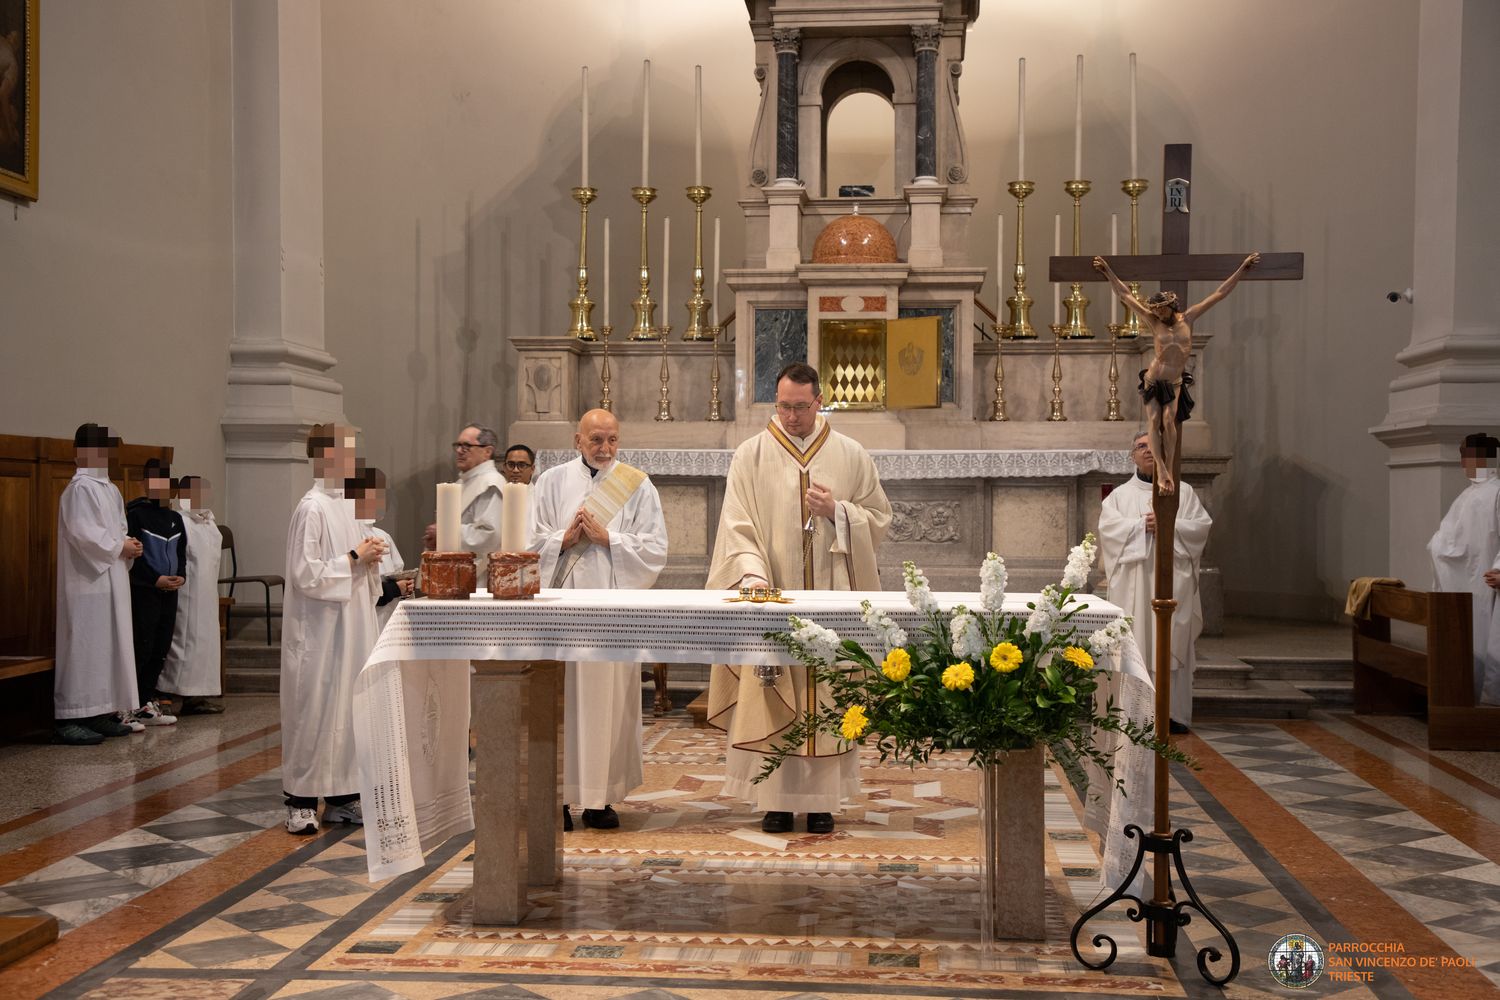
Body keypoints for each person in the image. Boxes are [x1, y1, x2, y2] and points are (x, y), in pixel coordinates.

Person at [705, 363, 891, 834]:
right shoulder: (750, 455)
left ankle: (822, 802)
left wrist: (839, 512)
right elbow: (736, 525)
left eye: (801, 408)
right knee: (772, 689)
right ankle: (777, 801)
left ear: (819, 402)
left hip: (832, 603)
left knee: (828, 694)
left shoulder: (851, 454)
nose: (791, 417)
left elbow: (879, 518)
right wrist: (751, 575)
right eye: (784, 407)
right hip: (773, 597)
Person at [531, 410, 668, 831]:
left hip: (611, 613)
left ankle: (599, 798)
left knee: (606, 704)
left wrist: (610, 539)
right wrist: (564, 540)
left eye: (612, 440)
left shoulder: (637, 485)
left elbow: (656, 549)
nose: (605, 448)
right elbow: (527, 540)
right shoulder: (551, 482)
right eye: (596, 440)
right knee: (559, 701)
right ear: (578, 440)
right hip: (561, 611)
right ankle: (555, 797)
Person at [280, 423, 385, 834]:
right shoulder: (311, 508)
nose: (352, 459)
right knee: (315, 710)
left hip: (352, 625)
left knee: (347, 709)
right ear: (325, 455)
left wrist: (370, 557)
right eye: (345, 451)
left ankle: (342, 798)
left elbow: (359, 560)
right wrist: (355, 557)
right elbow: (304, 573)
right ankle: (301, 801)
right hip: (319, 631)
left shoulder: (348, 506)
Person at [1093, 252, 1259, 494]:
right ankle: (1160, 470)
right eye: (1156, 310)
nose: (1158, 314)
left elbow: (1219, 293)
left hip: (1174, 382)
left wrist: (1242, 268)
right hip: (1153, 379)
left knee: (1169, 422)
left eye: (1162, 310)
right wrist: (1108, 271)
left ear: (1171, 307)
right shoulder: (1153, 321)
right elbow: (1125, 295)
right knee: (1153, 422)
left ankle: (1168, 468)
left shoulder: (1188, 318)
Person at [1097, 431, 1213, 732]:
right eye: (1141, 446)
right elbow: (1109, 532)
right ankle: (1135, 714)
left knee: (1170, 640)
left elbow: (1200, 528)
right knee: (1135, 642)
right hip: (1133, 588)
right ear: (1132, 455)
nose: (1147, 451)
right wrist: (1140, 527)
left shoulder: (1183, 493)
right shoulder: (1119, 497)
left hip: (1172, 583)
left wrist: (1168, 525)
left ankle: (1172, 714)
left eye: (1154, 446)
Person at [54, 424, 144, 745]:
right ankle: (71, 715)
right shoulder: (79, 489)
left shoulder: (110, 489)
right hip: (87, 582)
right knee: (85, 645)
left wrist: (129, 543)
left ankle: (100, 711)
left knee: (107, 646)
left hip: (113, 578)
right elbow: (83, 534)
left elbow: (117, 528)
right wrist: (119, 546)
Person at [1428, 432, 1500, 704]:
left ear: (1483, 459)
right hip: (1468, 583)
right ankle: (1469, 698)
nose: (1462, 464)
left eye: (1466, 457)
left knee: (1490, 640)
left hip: (1490, 581)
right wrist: (1437, 548)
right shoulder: (1467, 495)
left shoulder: (1497, 492)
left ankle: (1490, 702)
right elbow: (1448, 539)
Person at [158, 475, 225, 715]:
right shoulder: (179, 521)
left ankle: (196, 695)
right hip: (186, 593)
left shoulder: (210, 524)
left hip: (207, 594)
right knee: (181, 642)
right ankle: (167, 694)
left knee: (204, 644)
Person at [125, 459, 184, 728]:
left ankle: (146, 700)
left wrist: (180, 575)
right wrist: (155, 579)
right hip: (145, 590)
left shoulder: (175, 518)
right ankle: (131, 702)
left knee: (161, 646)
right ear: (145, 484)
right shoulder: (136, 515)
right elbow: (134, 555)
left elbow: (181, 553)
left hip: (170, 591)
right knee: (143, 645)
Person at [423, 423, 506, 557]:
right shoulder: (463, 482)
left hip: (477, 567)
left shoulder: (491, 484)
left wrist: (444, 533)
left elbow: (490, 535)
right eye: (458, 445)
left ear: (487, 452)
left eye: (467, 446)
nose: (459, 450)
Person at [349, 466, 412, 631]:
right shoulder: (351, 535)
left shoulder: (383, 536)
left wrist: (405, 585)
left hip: (389, 621)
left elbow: (398, 572)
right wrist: (395, 589)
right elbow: (358, 587)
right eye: (379, 493)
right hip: (365, 623)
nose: (384, 500)